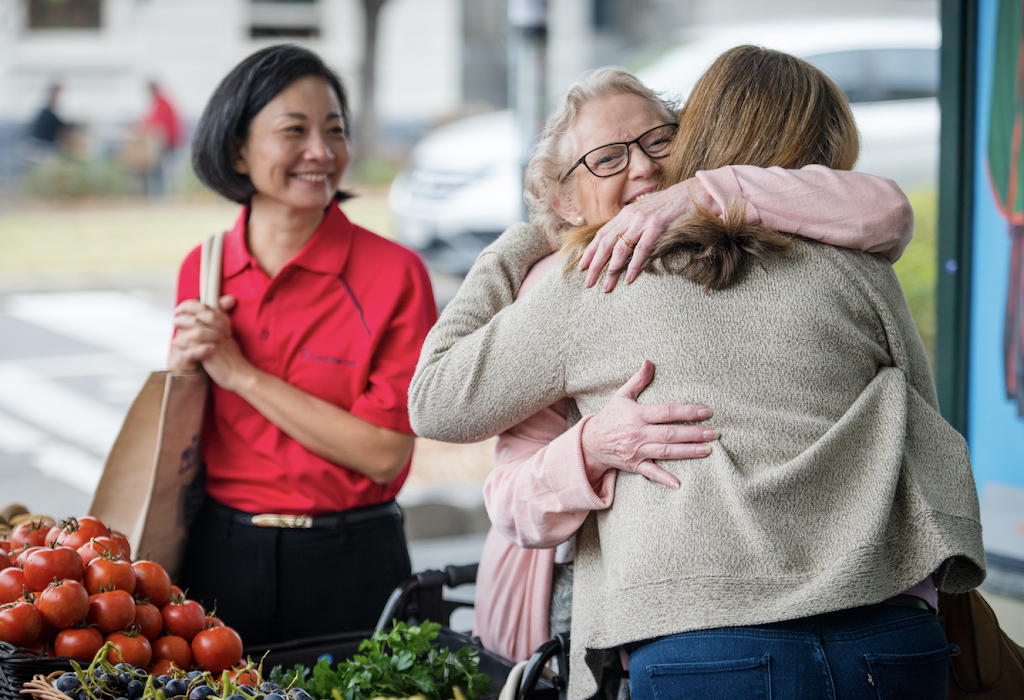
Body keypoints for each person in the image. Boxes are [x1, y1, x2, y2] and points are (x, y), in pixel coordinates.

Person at [409, 46, 985, 700]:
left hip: (700, 633)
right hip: (890, 628)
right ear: (564, 200)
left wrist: (517, 247)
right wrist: (590, 446)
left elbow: (435, 402)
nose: (645, 166)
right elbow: (921, 418)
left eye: (659, 140)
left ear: (693, 145)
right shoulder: (863, 265)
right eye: (607, 158)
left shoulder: (588, 285)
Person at [170, 45, 437, 646]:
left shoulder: (394, 274)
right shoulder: (205, 269)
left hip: (353, 557)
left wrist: (241, 374)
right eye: (294, 131)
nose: (321, 152)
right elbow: (183, 423)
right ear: (237, 147)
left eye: (335, 131)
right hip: (220, 554)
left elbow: (384, 453)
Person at [140, 81, 183, 195]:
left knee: (165, 173)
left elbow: (159, 124)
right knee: (160, 172)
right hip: (164, 143)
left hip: (169, 143)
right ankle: (161, 195)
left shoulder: (162, 103)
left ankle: (165, 196)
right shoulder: (159, 103)